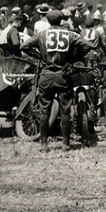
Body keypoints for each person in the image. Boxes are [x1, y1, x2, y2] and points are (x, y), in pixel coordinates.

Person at [32, 9, 95, 151]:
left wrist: (40, 57)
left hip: (46, 74)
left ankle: (44, 144)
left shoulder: (41, 35)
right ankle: (66, 144)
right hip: (63, 74)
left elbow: (25, 46)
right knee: (65, 111)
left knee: (44, 110)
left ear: (48, 20)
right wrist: (72, 60)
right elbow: (88, 45)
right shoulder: (70, 34)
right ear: (61, 20)